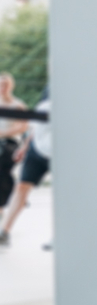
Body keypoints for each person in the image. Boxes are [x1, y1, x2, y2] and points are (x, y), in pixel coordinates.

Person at [0, 91, 48, 247]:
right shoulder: (48, 91)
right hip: (37, 147)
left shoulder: (17, 104)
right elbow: (38, 124)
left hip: (56, 148)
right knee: (22, 185)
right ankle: (5, 232)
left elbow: (24, 125)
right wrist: (26, 146)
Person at [0, 73, 26, 213]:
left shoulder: (17, 105)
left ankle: (2, 205)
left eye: (5, 85)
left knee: (2, 169)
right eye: (0, 85)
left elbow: (23, 126)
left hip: (9, 143)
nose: (2, 88)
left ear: (11, 86)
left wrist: (3, 133)